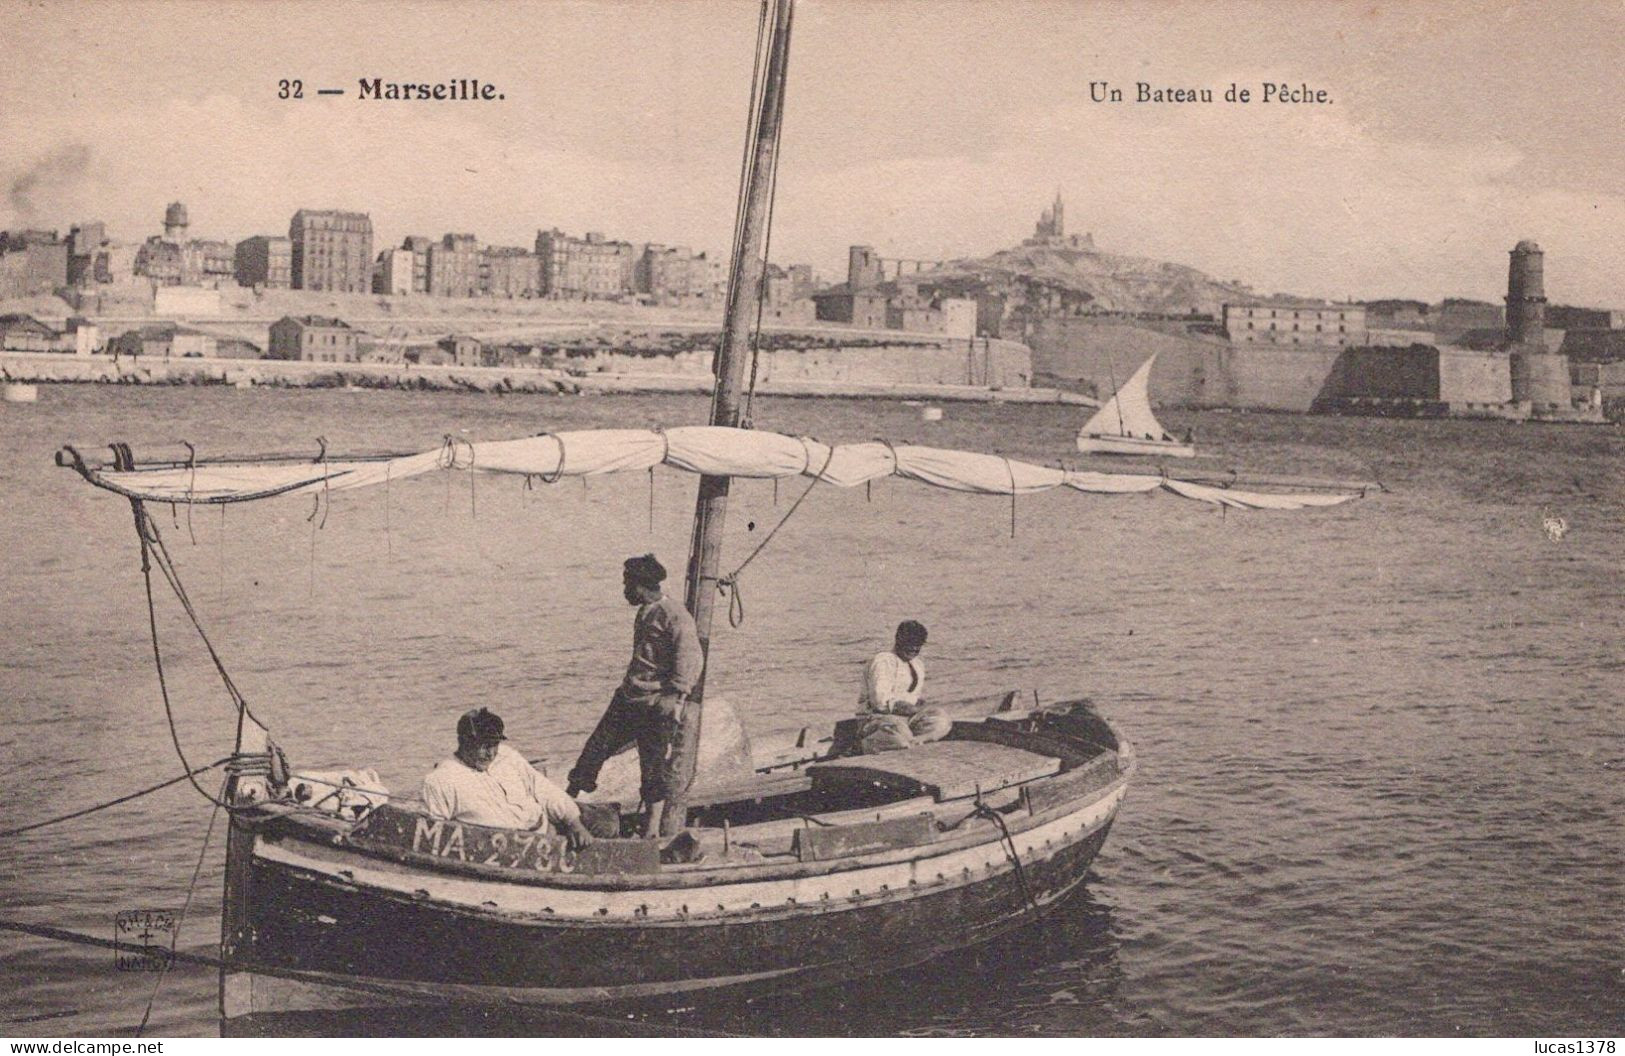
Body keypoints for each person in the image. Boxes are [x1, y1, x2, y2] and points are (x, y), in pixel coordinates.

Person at [567, 554, 704, 835]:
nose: (625, 590)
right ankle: (566, 803)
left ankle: (652, 830)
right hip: (629, 697)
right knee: (594, 750)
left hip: (655, 703)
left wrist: (675, 695)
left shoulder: (675, 615)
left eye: (627, 584)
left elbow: (691, 657)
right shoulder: (645, 612)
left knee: (653, 765)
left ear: (641, 585)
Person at [422, 707, 593, 849]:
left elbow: (543, 789)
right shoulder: (441, 780)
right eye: (483, 746)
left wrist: (574, 823)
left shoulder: (507, 756)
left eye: (494, 745)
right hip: (508, 849)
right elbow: (436, 834)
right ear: (464, 742)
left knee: (608, 824)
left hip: (549, 827)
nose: (490, 754)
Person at [856, 620, 951, 754]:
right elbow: (880, 703)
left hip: (907, 719)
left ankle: (913, 742)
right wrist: (913, 709)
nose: (913, 649)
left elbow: (913, 698)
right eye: (909, 644)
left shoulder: (918, 664)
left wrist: (921, 708)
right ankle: (863, 745)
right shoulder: (882, 660)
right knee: (897, 729)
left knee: (942, 719)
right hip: (877, 719)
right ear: (898, 640)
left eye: (918, 645)